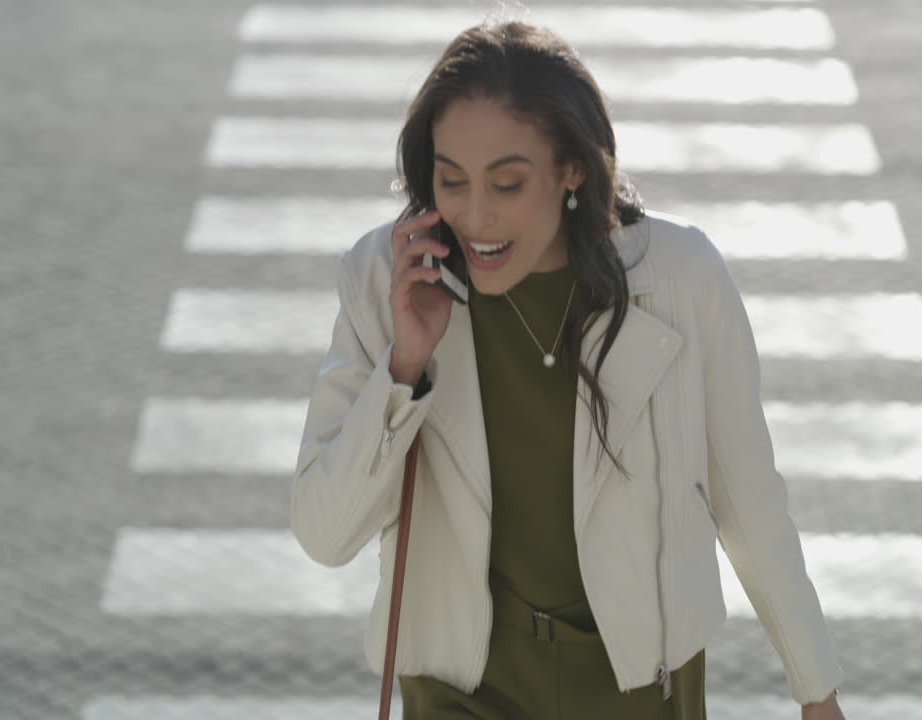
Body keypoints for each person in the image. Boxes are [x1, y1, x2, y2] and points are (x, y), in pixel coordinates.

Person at [290, 17, 847, 720]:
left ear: (572, 169)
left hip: (642, 685)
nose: (475, 217)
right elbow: (325, 533)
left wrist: (816, 692)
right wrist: (404, 366)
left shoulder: (681, 277)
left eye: (508, 184)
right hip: (459, 687)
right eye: (451, 180)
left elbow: (748, 496)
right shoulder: (387, 279)